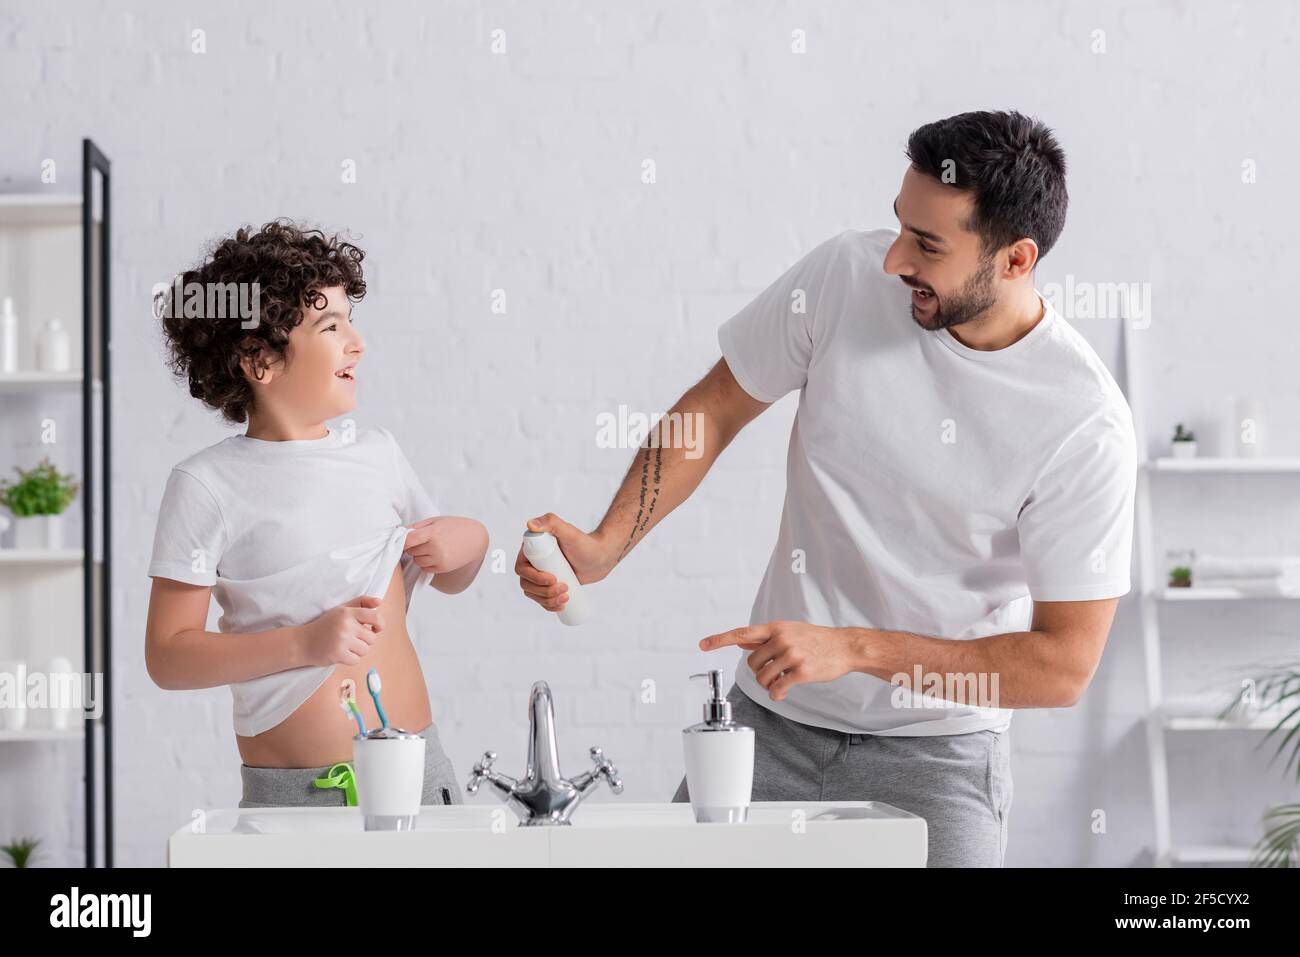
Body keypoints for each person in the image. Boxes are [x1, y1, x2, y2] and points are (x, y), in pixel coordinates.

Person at [515, 111, 1137, 866]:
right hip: (766, 731)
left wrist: (854, 649)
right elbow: (715, 409)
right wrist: (609, 541)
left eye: (929, 246)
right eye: (901, 226)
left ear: (1016, 259)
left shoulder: (1082, 423)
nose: (894, 260)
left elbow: (1063, 664)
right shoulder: (843, 276)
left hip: (937, 760)